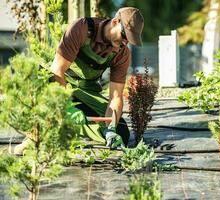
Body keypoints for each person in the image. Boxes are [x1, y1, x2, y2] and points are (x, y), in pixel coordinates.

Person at [14, 7, 144, 154]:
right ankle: (35, 137)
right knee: (32, 74)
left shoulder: (122, 53)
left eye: (129, 40)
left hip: (87, 93)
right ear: (115, 22)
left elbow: (116, 96)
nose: (125, 42)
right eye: (124, 36)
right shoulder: (81, 28)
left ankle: (66, 128)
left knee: (122, 132)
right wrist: (68, 107)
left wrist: (111, 128)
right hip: (60, 84)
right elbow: (57, 71)